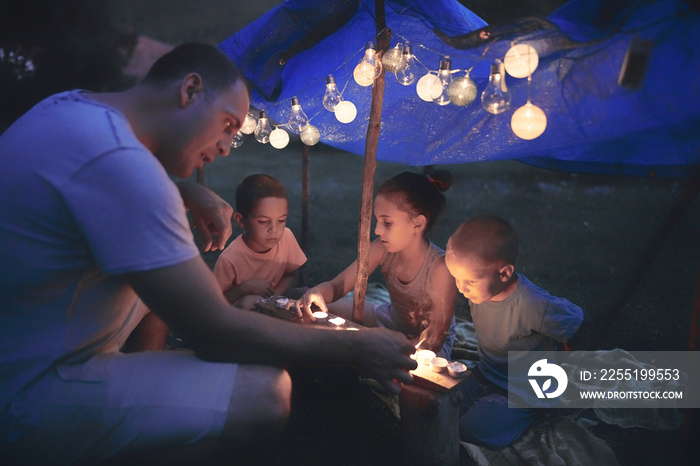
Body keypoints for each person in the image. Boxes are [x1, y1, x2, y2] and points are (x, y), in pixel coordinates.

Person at [0, 43, 416, 465]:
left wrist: (182, 190)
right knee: (265, 392)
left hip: (24, 348)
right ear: (191, 89)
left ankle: (145, 376)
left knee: (169, 267)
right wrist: (358, 347)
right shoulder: (118, 164)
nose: (224, 146)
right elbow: (214, 331)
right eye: (227, 125)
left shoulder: (68, 112)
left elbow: (91, 187)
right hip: (31, 391)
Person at [444, 214, 586, 449]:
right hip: (486, 373)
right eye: (456, 279)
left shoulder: (532, 304)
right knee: (443, 408)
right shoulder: (481, 291)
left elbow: (578, 322)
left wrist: (562, 360)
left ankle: (535, 413)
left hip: (522, 389)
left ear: (504, 274)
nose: (461, 288)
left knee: (471, 429)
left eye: (469, 281)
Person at [293, 170, 458, 358]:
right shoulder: (382, 248)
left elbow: (435, 337)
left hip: (428, 345)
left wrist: (395, 346)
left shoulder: (440, 268)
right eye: (377, 221)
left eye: (387, 223)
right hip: (388, 320)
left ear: (418, 224)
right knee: (305, 300)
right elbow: (339, 285)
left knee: (413, 378)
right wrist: (318, 292)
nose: (378, 230)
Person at [213, 174, 307, 309]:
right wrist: (244, 288)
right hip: (242, 314)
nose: (274, 230)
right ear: (240, 220)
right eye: (263, 221)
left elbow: (291, 275)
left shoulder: (286, 236)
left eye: (281, 220)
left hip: (278, 299)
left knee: (307, 294)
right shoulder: (229, 260)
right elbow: (215, 303)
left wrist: (272, 299)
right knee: (250, 302)